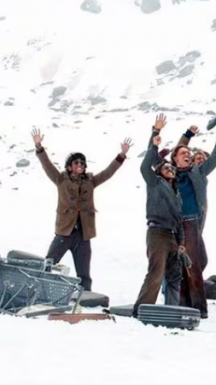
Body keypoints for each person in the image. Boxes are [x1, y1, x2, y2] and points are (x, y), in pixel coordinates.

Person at [29, 128, 132, 292]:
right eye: (77, 162)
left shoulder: (90, 182)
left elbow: (108, 173)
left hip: (83, 235)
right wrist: (39, 147)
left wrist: (121, 155)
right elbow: (47, 165)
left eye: (83, 163)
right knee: (48, 263)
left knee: (84, 273)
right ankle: (36, 292)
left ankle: (85, 300)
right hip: (64, 232)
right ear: (69, 167)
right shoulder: (60, 179)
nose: (81, 165)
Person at [167, 117, 216, 318]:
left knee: (199, 261)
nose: (187, 155)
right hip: (182, 224)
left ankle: (185, 300)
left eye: (189, 153)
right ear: (176, 159)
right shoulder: (171, 173)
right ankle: (199, 309)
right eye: (184, 153)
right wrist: (187, 136)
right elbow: (178, 149)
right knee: (192, 265)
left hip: (194, 223)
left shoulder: (197, 171)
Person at [132, 114, 187, 317]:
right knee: (156, 272)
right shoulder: (154, 183)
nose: (170, 169)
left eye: (172, 167)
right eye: (166, 167)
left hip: (172, 235)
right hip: (157, 233)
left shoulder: (176, 194)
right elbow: (146, 165)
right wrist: (155, 135)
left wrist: (181, 241)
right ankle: (141, 310)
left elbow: (179, 219)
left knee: (174, 275)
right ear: (159, 172)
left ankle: (171, 309)